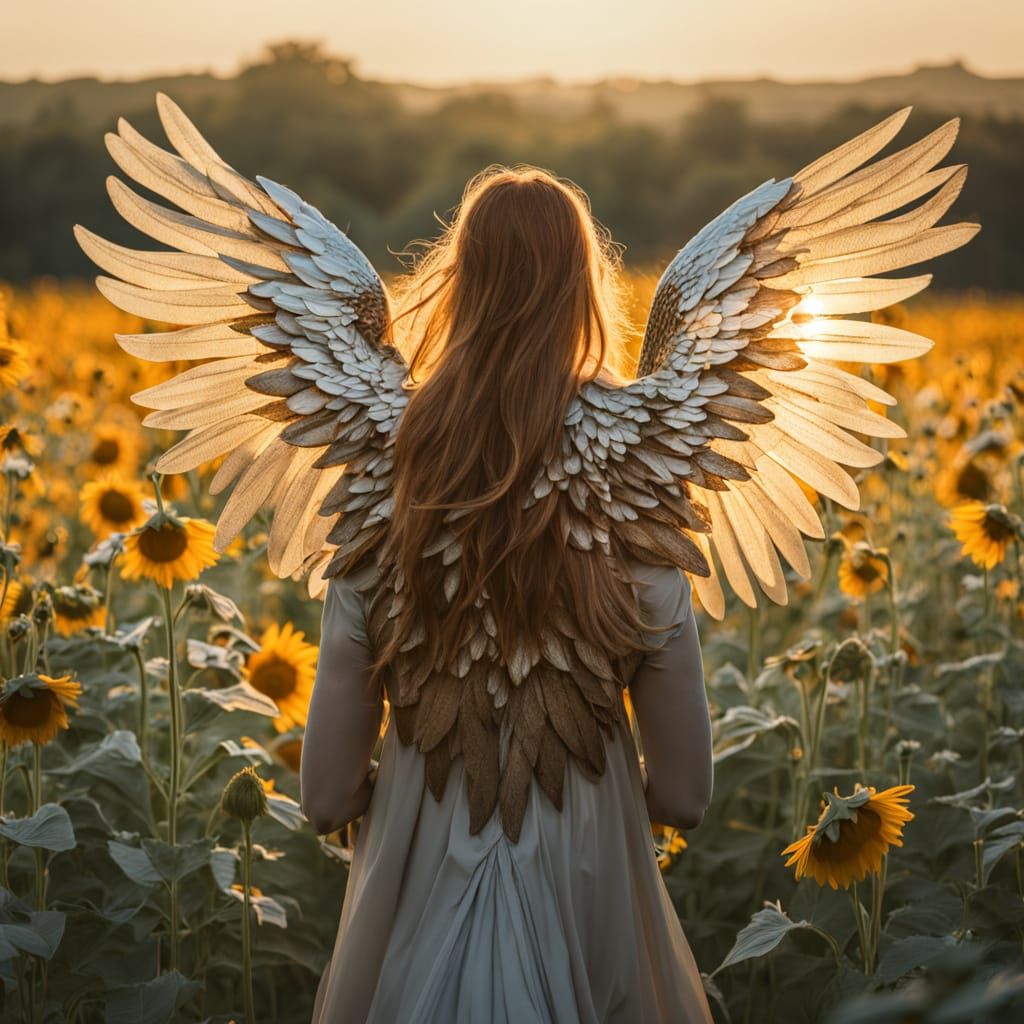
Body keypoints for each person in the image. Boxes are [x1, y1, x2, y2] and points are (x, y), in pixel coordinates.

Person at [299, 168, 717, 1023]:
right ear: (581, 290)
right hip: (590, 894)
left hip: (412, 906)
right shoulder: (637, 479)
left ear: (462, 279)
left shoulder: (387, 472)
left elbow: (326, 796)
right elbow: (684, 794)